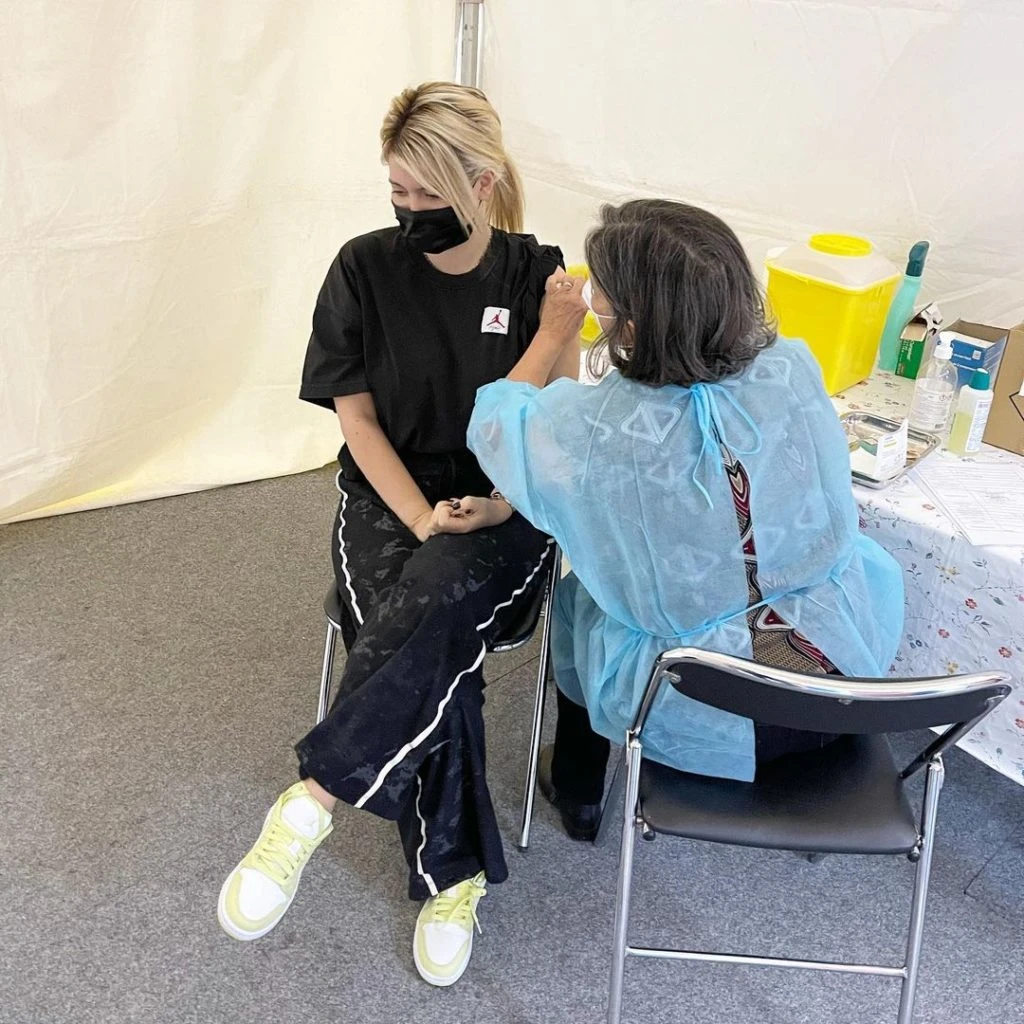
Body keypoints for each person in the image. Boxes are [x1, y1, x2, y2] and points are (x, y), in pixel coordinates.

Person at [218, 82, 579, 986]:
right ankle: (453, 878)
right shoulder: (360, 269)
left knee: (436, 602)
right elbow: (359, 422)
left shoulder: (541, 278)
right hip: (390, 496)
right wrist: (420, 517)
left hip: (506, 498)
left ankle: (313, 799)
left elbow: (551, 425)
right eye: (397, 190)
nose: (408, 208)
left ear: (481, 184)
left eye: (426, 192)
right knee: (430, 623)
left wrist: (498, 504)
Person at [467, 199, 905, 839]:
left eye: (600, 293)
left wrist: (551, 334)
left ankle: (579, 792)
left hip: (700, 712)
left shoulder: (599, 425)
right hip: (842, 688)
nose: (592, 300)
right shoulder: (792, 367)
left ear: (630, 321)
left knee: (580, 598)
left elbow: (494, 424)